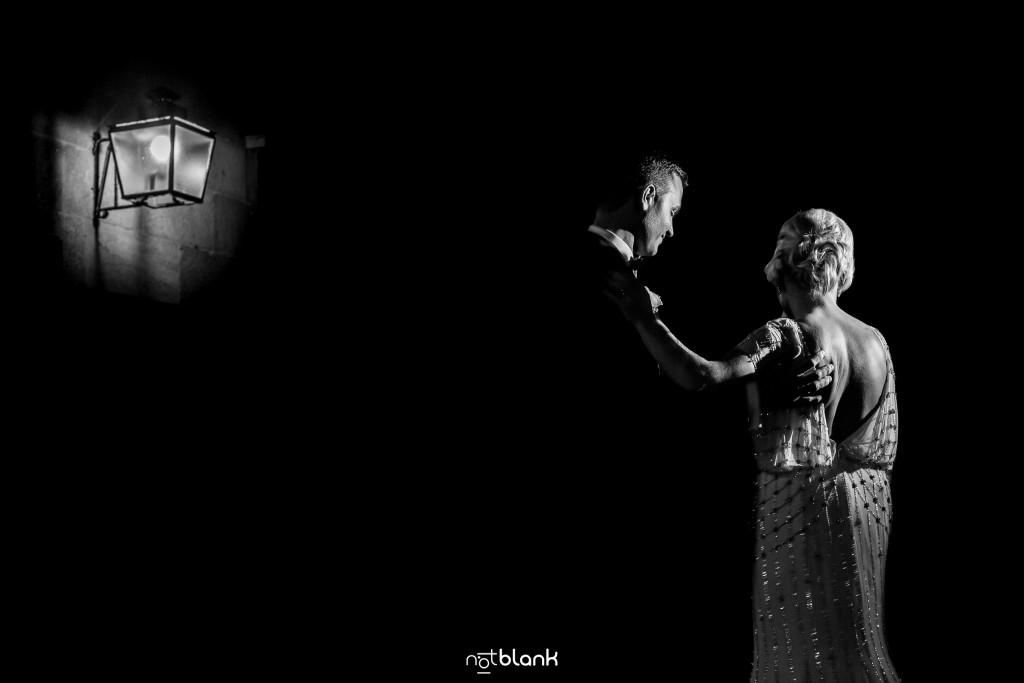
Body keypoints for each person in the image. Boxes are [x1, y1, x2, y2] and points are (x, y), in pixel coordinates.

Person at [605, 208, 900, 682]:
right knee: (852, 646)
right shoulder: (876, 343)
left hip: (799, 521)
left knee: (798, 654)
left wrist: (644, 320)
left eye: (781, 243)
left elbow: (703, 378)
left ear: (798, 255)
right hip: (859, 524)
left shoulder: (785, 334)